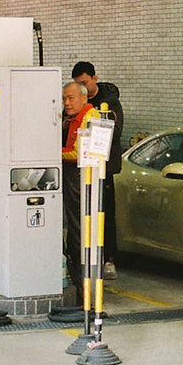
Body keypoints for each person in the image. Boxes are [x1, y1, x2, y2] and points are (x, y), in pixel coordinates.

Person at [71, 61, 124, 279]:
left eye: (84, 83)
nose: (81, 88)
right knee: (80, 214)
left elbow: (115, 131)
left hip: (103, 167)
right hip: (79, 166)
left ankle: (108, 259)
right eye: (77, 84)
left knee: (104, 213)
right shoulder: (76, 100)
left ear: (95, 78)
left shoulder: (109, 102)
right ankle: (79, 258)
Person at [61, 80, 100, 292]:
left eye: (71, 98)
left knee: (79, 229)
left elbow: (81, 154)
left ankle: (83, 285)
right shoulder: (72, 119)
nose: (66, 102)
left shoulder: (91, 119)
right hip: (72, 177)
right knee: (74, 229)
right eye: (64, 98)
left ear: (84, 98)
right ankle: (77, 279)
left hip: (83, 178)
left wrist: (50, 152)